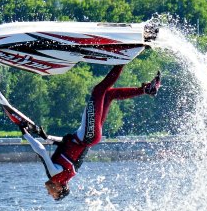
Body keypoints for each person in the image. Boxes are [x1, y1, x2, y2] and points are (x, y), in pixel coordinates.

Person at [22, 65, 161, 201]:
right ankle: (123, 60)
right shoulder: (55, 175)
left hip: (89, 137)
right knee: (99, 90)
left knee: (109, 95)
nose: (48, 193)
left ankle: (147, 90)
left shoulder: (65, 174)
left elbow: (67, 144)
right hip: (88, 136)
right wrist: (26, 135)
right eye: (53, 195)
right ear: (60, 189)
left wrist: (46, 136)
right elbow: (41, 151)